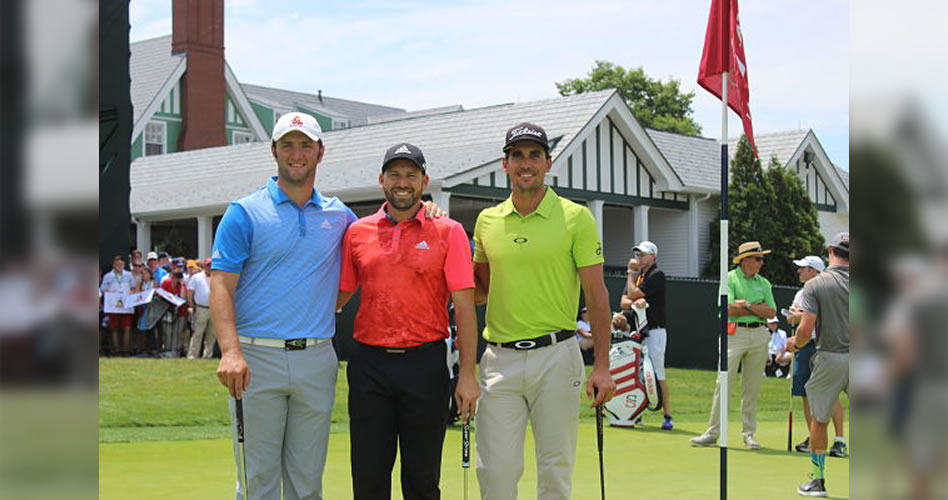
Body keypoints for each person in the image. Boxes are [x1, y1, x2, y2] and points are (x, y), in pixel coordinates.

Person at [212, 112, 444, 499]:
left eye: (306, 145)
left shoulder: (340, 217)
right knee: (258, 481)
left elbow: (374, 245)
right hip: (257, 358)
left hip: (317, 358)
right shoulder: (244, 212)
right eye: (288, 145)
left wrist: (428, 210)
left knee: (307, 481)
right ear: (274, 151)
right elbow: (221, 284)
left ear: (320, 152)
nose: (297, 154)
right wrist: (231, 351)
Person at [472, 122, 616, 499]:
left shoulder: (576, 217)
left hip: (557, 357)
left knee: (555, 470)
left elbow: (596, 294)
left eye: (534, 155)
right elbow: (480, 291)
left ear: (548, 163)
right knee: (495, 472)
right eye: (517, 155)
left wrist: (602, 366)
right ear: (504, 163)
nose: (526, 163)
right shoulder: (487, 221)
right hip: (499, 359)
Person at [336, 143, 479, 500]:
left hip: (425, 364)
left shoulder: (448, 231)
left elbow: (464, 308)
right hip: (369, 364)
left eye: (411, 175)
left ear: (424, 181)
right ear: (381, 180)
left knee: (422, 480)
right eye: (395, 175)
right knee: (368, 479)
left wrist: (467, 374)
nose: (403, 182)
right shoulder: (357, 232)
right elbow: (339, 296)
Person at [691, 240, 776, 450]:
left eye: (762, 259)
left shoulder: (764, 283)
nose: (761, 263)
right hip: (734, 334)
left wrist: (745, 304)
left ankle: (749, 435)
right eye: (758, 259)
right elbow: (728, 308)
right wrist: (755, 307)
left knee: (752, 387)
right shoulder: (728, 278)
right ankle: (713, 433)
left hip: (759, 334)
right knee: (724, 383)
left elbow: (771, 312)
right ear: (745, 260)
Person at [788, 232, 849, 497]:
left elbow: (805, 329)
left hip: (830, 356)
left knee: (820, 419)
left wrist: (795, 344)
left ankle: (818, 480)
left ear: (830, 250)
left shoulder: (816, 284)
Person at [621, 240, 673, 430]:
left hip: (655, 330)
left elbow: (634, 294)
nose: (639, 258)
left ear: (653, 256)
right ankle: (637, 413)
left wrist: (630, 275)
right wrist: (634, 299)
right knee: (638, 373)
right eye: (638, 254)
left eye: (643, 254)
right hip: (638, 330)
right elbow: (623, 301)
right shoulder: (638, 276)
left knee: (657, 372)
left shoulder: (657, 275)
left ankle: (667, 415)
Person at [100, 255, 134, 356]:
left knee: (127, 327)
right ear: (114, 265)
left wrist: (130, 293)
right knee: (114, 328)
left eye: (121, 264)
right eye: (117, 264)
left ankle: (126, 350)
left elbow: (133, 288)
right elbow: (103, 289)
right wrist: (111, 293)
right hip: (113, 306)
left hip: (126, 305)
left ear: (124, 265)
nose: (119, 266)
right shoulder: (108, 276)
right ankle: (116, 350)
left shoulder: (129, 275)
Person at [186, 259, 216, 359]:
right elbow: (190, 293)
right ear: (203, 266)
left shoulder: (217, 277)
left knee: (212, 334)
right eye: (208, 265)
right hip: (201, 308)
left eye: (211, 265)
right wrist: (191, 306)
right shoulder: (197, 277)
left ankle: (207, 355)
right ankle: (192, 355)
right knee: (198, 333)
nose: (210, 267)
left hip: (214, 309)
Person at [159, 270, 189, 358]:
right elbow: (161, 294)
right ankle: (167, 350)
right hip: (167, 310)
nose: (174, 279)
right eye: (173, 277)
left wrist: (182, 285)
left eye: (177, 278)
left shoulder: (182, 286)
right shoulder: (166, 283)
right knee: (167, 332)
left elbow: (183, 296)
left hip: (180, 311)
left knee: (177, 332)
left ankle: (175, 350)